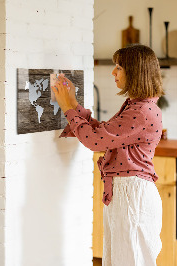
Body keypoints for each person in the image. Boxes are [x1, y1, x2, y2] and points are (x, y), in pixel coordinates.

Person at [52, 44, 164, 266]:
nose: (113, 72)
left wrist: (67, 108)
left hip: (132, 195)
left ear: (135, 72)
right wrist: (73, 104)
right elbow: (103, 133)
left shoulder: (141, 111)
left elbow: (95, 141)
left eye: (119, 67)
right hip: (127, 193)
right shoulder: (137, 106)